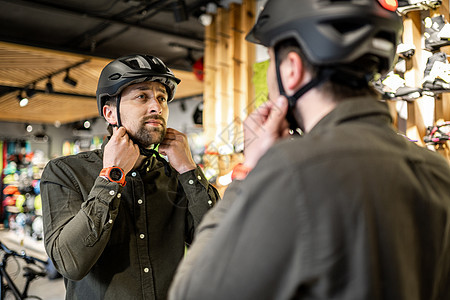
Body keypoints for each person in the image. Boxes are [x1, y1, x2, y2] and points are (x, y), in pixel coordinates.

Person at [168, 0, 450, 299]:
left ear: (292, 69)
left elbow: (192, 293)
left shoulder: (291, 171)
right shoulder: (436, 171)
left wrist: (248, 173)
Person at [40, 54, 219, 300]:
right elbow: (70, 263)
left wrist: (189, 169)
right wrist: (111, 178)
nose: (157, 107)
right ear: (110, 113)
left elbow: (219, 244)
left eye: (161, 98)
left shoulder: (176, 175)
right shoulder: (65, 172)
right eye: (142, 97)